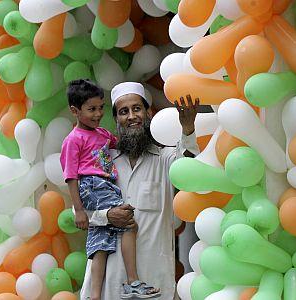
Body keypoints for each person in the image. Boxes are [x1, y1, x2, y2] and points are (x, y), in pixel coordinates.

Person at [80, 82, 200, 300]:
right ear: (116, 120)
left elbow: (190, 169)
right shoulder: (103, 160)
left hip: (154, 280)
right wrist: (107, 215)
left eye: (137, 109)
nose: (131, 116)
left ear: (148, 113)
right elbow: (77, 212)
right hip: (109, 280)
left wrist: (188, 129)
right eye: (123, 112)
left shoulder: (165, 158)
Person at [60, 79, 161, 300]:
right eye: (91, 109)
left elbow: (122, 143)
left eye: (100, 108)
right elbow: (70, 176)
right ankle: (132, 281)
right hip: (93, 186)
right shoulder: (73, 140)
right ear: (74, 111)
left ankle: (95, 295)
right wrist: (78, 209)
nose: (97, 114)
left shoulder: (104, 136)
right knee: (128, 224)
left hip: (104, 186)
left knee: (100, 242)